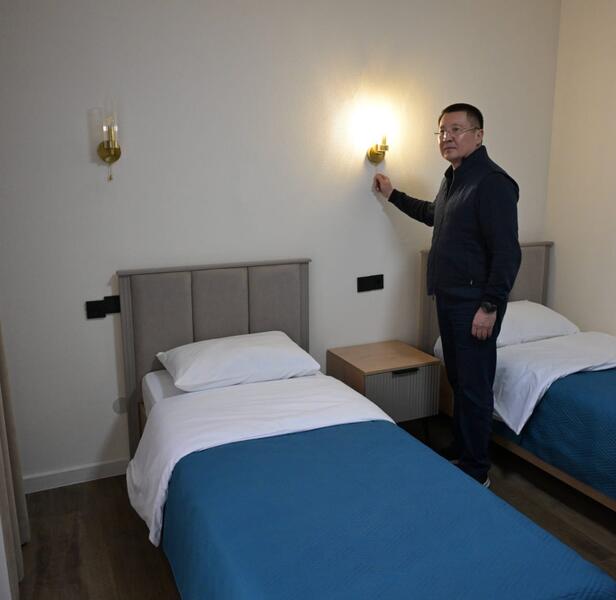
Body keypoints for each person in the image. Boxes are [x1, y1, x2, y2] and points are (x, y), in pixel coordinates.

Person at [373, 103, 521, 487]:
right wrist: (393, 195)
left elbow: (507, 253)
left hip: (474, 303)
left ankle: (477, 470)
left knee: (474, 387)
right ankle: (462, 448)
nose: (447, 137)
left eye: (456, 129)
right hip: (451, 298)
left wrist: (490, 306)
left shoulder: (492, 182)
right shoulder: (454, 178)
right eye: (441, 131)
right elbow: (433, 214)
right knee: (459, 381)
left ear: (478, 135)